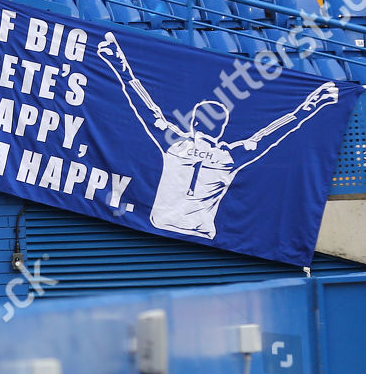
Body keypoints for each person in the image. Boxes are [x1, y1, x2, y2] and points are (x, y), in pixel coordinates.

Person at [96, 32, 338, 238]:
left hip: (159, 222)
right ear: (221, 129)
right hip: (202, 231)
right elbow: (270, 134)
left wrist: (120, 65)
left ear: (193, 123)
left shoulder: (174, 144)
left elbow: (147, 108)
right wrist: (311, 105)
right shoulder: (229, 157)